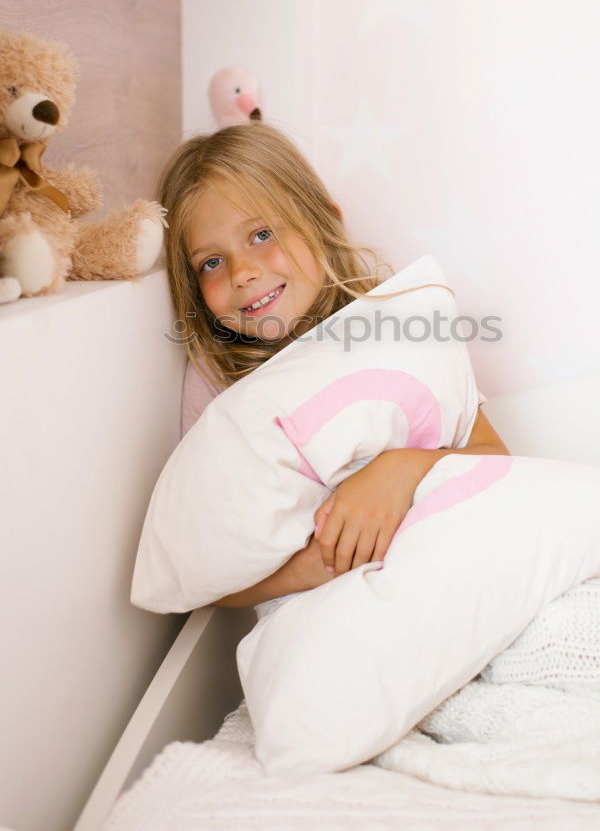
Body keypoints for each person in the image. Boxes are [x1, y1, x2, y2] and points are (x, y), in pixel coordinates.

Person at [157, 121, 509, 615]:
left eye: (262, 234)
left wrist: (396, 470)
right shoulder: (220, 384)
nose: (242, 273)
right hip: (329, 617)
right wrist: (315, 564)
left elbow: (494, 455)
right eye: (211, 263)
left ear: (322, 220)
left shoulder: (396, 327)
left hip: (458, 576)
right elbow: (208, 571)